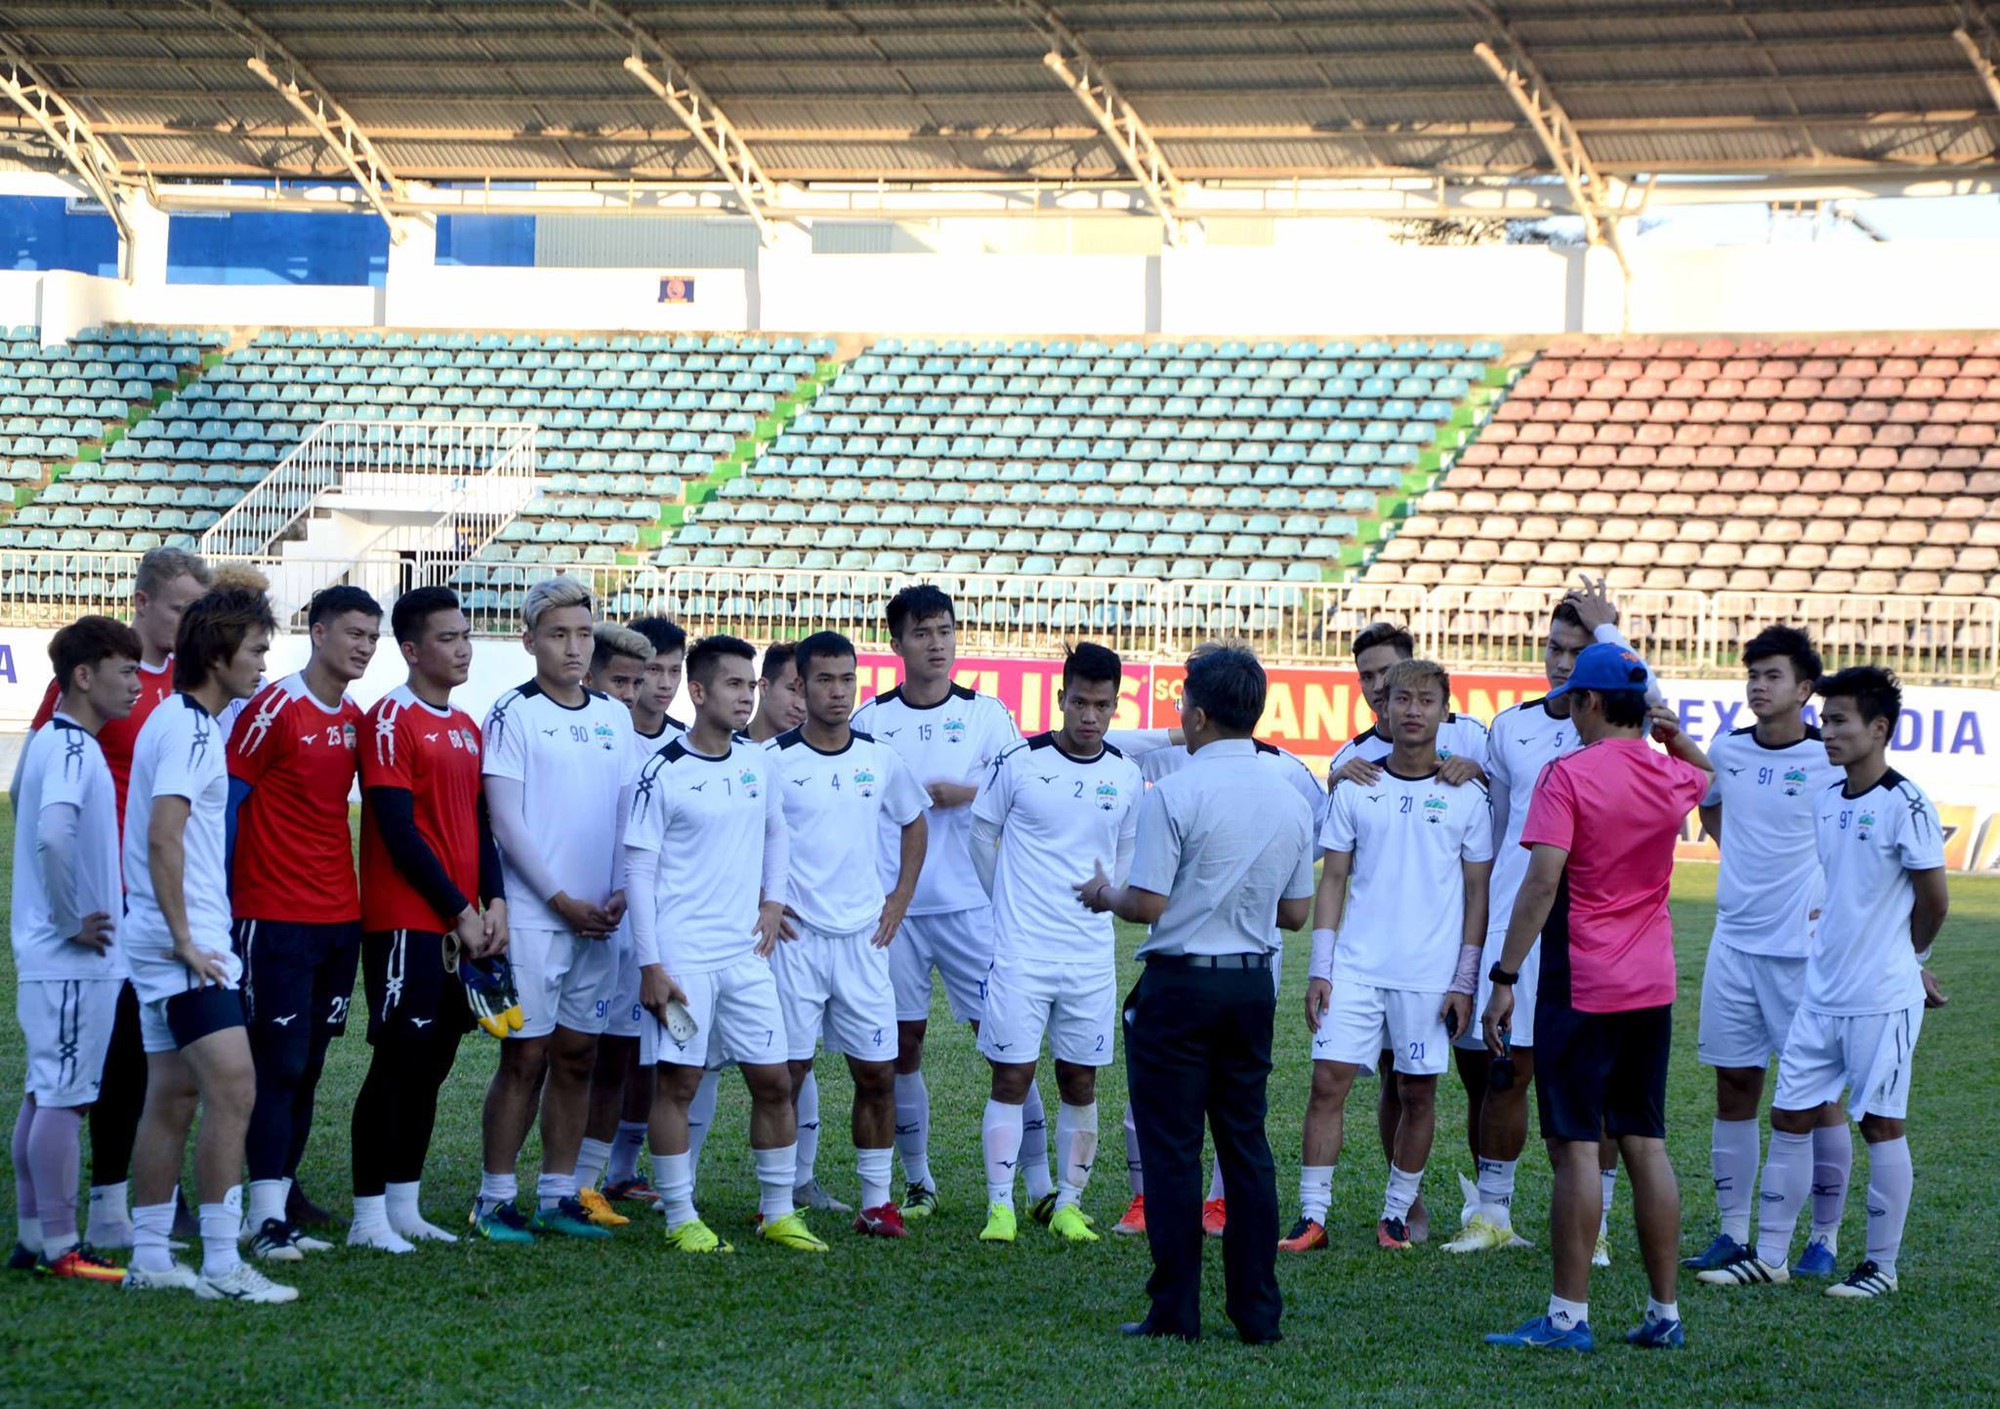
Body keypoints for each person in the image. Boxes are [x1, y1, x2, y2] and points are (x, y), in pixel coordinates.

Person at [1081, 646, 1315, 1345]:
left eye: (1183, 702)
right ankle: (1257, 1313)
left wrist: (1104, 894)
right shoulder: (1290, 793)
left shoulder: (1177, 792)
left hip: (1180, 983)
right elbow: (1296, 913)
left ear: (1202, 714)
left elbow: (1146, 899)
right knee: (1246, 1146)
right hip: (1250, 982)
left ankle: (1175, 1309)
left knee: (1174, 1151)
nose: (1178, 714)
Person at [1481, 641, 1711, 1353]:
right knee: (1645, 1140)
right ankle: (1664, 1311)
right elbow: (1710, 775)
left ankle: (1568, 1317)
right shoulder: (1668, 772)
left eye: (1572, 700)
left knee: (1576, 1145)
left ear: (1587, 702)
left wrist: (1505, 976)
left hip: (1581, 980)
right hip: (1651, 981)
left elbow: (1543, 882)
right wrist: (1673, 736)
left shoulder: (1567, 773)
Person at [1699, 667, 1949, 1300]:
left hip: (1880, 998)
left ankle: (1880, 1267)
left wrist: (1908, 956)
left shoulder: (1907, 803)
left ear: (1879, 728)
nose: (1827, 731)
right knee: (1789, 1116)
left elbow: (1935, 901)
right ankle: (1772, 1256)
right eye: (1827, 719)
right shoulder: (1828, 801)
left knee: (1880, 1124)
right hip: (1821, 992)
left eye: (1839, 721)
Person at [1445, 579, 1648, 1260]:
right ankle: (1493, 1212)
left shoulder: (1628, 721)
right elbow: (1503, 834)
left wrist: (1612, 631)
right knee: (1509, 1068)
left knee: (1599, 1081)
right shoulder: (1512, 727)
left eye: (1577, 648)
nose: (1561, 661)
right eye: (1553, 647)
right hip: (1523, 925)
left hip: (1601, 927)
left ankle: (1601, 1222)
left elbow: (1651, 703)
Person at [25, 546, 212, 1251]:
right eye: (178, 607)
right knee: (119, 1053)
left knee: (175, 1047)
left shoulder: (195, 683)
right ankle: (103, 1204)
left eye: (198, 608)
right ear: (141, 600)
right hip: (115, 897)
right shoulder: (106, 675)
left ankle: (148, 1194)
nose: (189, 621)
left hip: (172, 892)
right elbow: (44, 775)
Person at [120, 584, 296, 1302]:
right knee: (235, 1087)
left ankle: (151, 1256)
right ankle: (223, 1263)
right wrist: (189, 940)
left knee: (173, 1095)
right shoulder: (190, 729)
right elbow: (165, 835)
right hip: (184, 946)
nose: (262, 662)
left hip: (165, 939)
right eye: (255, 649)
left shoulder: (184, 722)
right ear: (218, 652)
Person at [626, 634, 825, 1254]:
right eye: (735, 685)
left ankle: (777, 1211)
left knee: (775, 1079)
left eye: (753, 685)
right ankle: (681, 1215)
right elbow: (638, 874)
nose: (747, 696)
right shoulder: (662, 770)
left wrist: (771, 901)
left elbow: (777, 833)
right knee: (678, 1087)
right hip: (683, 960)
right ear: (699, 690)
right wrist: (651, 965)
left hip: (746, 958)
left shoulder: (757, 761)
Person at [1287, 659, 1493, 1253]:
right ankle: (1312, 1217)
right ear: (1383, 707)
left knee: (1417, 1091)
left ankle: (1397, 1215)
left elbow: (1477, 893)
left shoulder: (1465, 795)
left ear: (1443, 711)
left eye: (1426, 701)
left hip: (1428, 977)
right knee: (1328, 1082)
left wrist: (1463, 979)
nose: (1412, 711)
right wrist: (1321, 967)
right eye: (1402, 699)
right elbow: (1333, 882)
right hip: (1355, 968)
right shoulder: (1356, 785)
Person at [851, 585, 1024, 1218]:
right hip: (895, 913)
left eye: (945, 631)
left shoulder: (987, 714)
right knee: (902, 1046)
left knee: (1004, 1041)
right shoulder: (870, 721)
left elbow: (1015, 789)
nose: (937, 644)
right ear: (896, 644)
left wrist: (965, 792)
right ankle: (920, 1181)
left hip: (972, 906)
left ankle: (1036, 1186)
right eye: (921, 633)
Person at [1682, 627, 1848, 1276]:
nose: (1758, 685)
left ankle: (1824, 1237)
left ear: (1805, 690)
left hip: (1806, 958)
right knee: (1735, 1084)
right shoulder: (1726, 750)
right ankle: (1732, 1230)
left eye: (1773, 675)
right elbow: (1716, 812)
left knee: (1818, 1095)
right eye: (1753, 674)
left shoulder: (1829, 759)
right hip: (1734, 947)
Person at [470, 577, 632, 1242]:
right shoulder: (512, 713)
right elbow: (505, 823)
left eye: (583, 633)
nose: (573, 647)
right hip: (540, 918)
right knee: (525, 1058)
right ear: (529, 639)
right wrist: (561, 899)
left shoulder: (614, 715)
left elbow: (628, 814)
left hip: (602, 918)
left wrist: (620, 888)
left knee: (578, 1057)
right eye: (559, 634)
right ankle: (494, 1197)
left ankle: (559, 1193)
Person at [348, 587, 507, 1253]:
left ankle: (404, 1205)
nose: (463, 647)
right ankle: (366, 1214)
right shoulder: (390, 720)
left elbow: (479, 822)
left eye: (465, 635)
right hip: (408, 924)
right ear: (411, 649)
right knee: (397, 1061)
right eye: (446, 637)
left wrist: (493, 902)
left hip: (463, 924)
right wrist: (459, 909)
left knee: (434, 1062)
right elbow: (397, 830)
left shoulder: (466, 726)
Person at [226, 585, 380, 1261]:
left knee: (311, 1063)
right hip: (273, 916)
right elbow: (228, 805)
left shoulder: (354, 715)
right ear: (317, 632)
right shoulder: (274, 707)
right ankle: (256, 1214)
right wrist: (222, 904)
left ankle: (280, 1194)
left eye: (372, 636)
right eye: (352, 632)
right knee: (277, 1063)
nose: (363, 647)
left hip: (337, 917)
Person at [970, 642, 1141, 1245]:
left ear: (1116, 705)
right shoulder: (1019, 761)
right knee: (1011, 1078)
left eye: (1101, 705)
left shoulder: (1125, 775)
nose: (1089, 716)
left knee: (1080, 1080)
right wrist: (1007, 908)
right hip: (1021, 954)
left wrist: (1107, 896)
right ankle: (1001, 1207)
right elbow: (982, 836)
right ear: (1060, 698)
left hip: (1088, 960)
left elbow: (1121, 864)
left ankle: (1069, 1201)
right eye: (1078, 702)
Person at [765, 631, 929, 1238]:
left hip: (865, 942)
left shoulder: (879, 759)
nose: (837, 691)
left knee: (878, 1073)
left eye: (846, 679)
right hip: (796, 944)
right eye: (824, 680)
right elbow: (745, 837)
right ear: (801, 686)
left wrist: (900, 898)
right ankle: (776, 1200)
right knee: (785, 1075)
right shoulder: (773, 760)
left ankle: (876, 1202)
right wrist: (766, 903)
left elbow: (915, 824)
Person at [8, 616, 143, 1281]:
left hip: (55, 960)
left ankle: (35, 1237)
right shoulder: (70, 747)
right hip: (67, 961)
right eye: (126, 673)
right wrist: (69, 922)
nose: (138, 687)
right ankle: (62, 1246)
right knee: (63, 1096)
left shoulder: (55, 742)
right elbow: (55, 835)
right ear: (84, 676)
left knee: (44, 1092)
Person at [570, 624, 658, 1230]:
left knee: (618, 1058)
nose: (629, 693)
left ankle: (586, 1182)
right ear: (590, 676)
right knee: (550, 1058)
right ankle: (513, 1184)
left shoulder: (652, 748)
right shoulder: (564, 732)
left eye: (637, 682)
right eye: (618, 680)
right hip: (562, 916)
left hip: (627, 923)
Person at [600, 615, 689, 1203]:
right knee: (594, 1054)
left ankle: (621, 1172)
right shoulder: (606, 732)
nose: (661, 683)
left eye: (673, 671)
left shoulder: (686, 745)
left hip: (659, 922)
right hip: (598, 915)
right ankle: (577, 1177)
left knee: (646, 1056)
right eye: (651, 670)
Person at [746, 639, 807, 743]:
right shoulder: (722, 750)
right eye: (793, 689)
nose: (801, 706)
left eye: (808, 694)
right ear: (764, 687)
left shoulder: (818, 757)